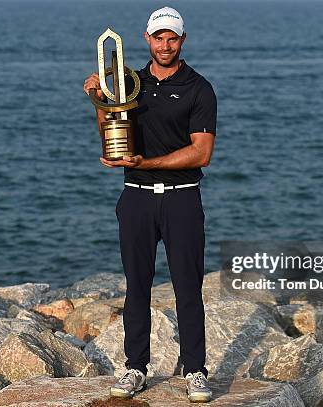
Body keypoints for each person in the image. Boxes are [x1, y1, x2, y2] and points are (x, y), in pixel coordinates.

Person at [83, 6, 217, 403]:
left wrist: (148, 163)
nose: (165, 44)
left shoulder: (199, 88)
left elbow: (201, 153)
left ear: (182, 40)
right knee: (136, 288)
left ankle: (195, 371)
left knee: (188, 289)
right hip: (136, 199)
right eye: (158, 37)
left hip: (182, 200)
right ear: (147, 39)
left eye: (171, 37)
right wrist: (97, 100)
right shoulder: (128, 83)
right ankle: (135, 369)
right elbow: (112, 132)